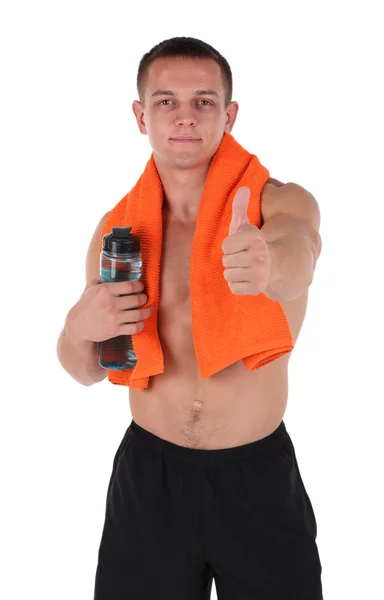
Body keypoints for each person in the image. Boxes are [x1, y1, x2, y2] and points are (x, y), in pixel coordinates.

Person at [57, 36, 323, 600]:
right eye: (165, 101)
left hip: (257, 478)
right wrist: (79, 326)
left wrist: (269, 262)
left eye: (204, 101)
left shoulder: (276, 204)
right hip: (148, 479)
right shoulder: (117, 233)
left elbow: (300, 255)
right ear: (140, 115)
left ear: (229, 115)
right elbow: (84, 369)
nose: (185, 116)